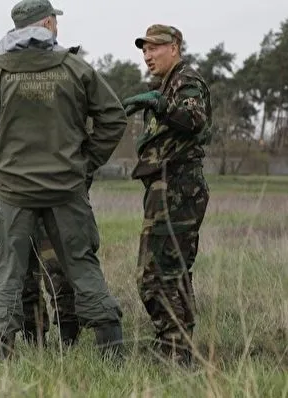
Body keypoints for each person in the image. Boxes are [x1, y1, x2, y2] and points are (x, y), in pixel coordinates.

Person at [0, 0, 127, 359]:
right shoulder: (75, 68)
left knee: (6, 274)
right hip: (67, 191)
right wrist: (83, 165)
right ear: (48, 23)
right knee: (82, 266)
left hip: (12, 194)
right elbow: (113, 117)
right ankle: (112, 351)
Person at [122, 24, 212, 365]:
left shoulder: (185, 82)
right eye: (144, 50)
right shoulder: (170, 84)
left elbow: (194, 119)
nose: (147, 55)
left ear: (174, 47)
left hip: (177, 187)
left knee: (155, 274)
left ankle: (175, 351)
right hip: (167, 187)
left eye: (154, 48)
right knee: (174, 271)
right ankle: (177, 349)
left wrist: (160, 104)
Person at [0, 167, 80, 347]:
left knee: (60, 274)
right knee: (23, 278)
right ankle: (35, 341)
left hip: (55, 201)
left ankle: (69, 341)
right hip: (15, 203)